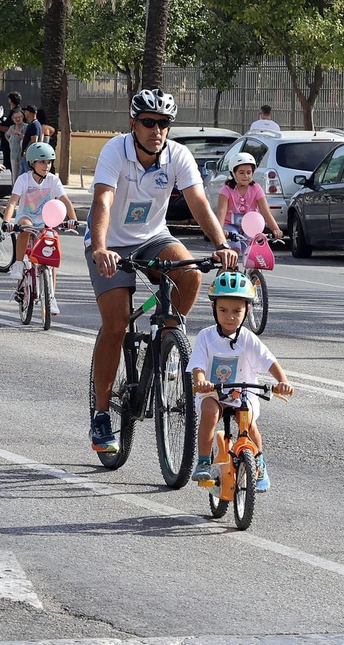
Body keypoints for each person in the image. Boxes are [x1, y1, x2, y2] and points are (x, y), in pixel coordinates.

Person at [87, 89, 239, 454]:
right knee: (117, 322)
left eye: (164, 124)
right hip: (110, 242)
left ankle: (165, 342)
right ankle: (102, 413)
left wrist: (220, 244)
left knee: (190, 274)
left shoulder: (177, 155)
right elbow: (103, 198)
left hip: (153, 237)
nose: (157, 130)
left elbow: (197, 200)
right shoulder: (115, 151)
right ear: (133, 124)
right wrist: (100, 247)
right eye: (150, 123)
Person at [188, 272, 293, 492]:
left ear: (247, 311)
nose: (230, 317)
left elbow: (269, 361)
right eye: (223, 310)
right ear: (214, 310)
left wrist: (282, 381)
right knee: (210, 412)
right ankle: (204, 460)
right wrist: (200, 381)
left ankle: (259, 462)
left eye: (237, 311)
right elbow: (197, 366)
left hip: (243, 395)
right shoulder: (206, 337)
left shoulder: (248, 338)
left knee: (248, 423)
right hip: (214, 393)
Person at [2, 142, 77, 316]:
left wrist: (72, 219)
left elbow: (65, 201)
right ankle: (19, 264)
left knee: (51, 258)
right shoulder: (24, 179)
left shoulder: (53, 180)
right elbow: (13, 202)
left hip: (46, 218)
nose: (47, 166)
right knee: (26, 228)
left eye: (49, 162)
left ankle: (51, 297)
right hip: (26, 217)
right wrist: (7, 221)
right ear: (32, 163)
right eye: (42, 162)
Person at [215, 153, 282, 240]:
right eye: (241, 173)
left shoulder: (256, 189)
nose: (246, 176)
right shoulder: (226, 190)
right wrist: (219, 230)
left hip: (251, 227)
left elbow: (265, 212)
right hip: (230, 226)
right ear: (233, 173)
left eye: (249, 172)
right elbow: (221, 212)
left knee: (252, 246)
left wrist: (276, 229)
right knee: (236, 247)